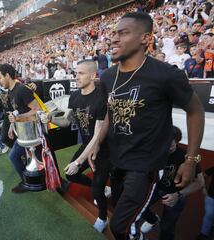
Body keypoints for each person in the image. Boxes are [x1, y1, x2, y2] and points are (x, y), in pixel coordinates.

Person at [87, 12, 204, 240]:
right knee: (126, 222)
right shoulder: (109, 76)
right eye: (113, 34)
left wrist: (190, 160)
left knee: (120, 227)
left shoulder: (165, 74)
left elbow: (196, 110)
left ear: (145, 38)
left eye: (123, 33)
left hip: (145, 166)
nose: (114, 39)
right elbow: (112, 110)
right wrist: (97, 142)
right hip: (117, 159)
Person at [42, 59, 111, 232]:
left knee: (97, 190)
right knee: (71, 176)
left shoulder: (101, 98)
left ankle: (103, 218)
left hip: (104, 149)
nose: (76, 76)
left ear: (93, 75)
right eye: (75, 73)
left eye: (81, 73)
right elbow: (67, 121)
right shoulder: (75, 96)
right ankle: (101, 187)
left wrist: (78, 162)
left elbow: (98, 136)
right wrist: (50, 119)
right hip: (88, 144)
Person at [140, 126, 205, 240]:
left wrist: (179, 195)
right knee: (138, 206)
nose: (168, 146)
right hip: (156, 188)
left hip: (176, 194)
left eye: (171, 143)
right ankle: (153, 219)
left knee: (167, 228)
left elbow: (199, 183)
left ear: (177, 140)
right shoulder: (156, 152)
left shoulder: (185, 157)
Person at [0, 63, 44, 193]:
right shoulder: (11, 91)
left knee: (39, 158)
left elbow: (37, 109)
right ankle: (27, 181)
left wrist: (18, 117)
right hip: (24, 132)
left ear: (8, 76)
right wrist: (12, 126)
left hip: (33, 133)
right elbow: (16, 111)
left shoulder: (21, 89)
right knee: (15, 156)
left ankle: (51, 183)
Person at [196, 166, 214, 240]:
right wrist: (204, 188)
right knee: (208, 217)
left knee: (208, 217)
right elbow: (203, 175)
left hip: (210, 196)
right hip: (211, 197)